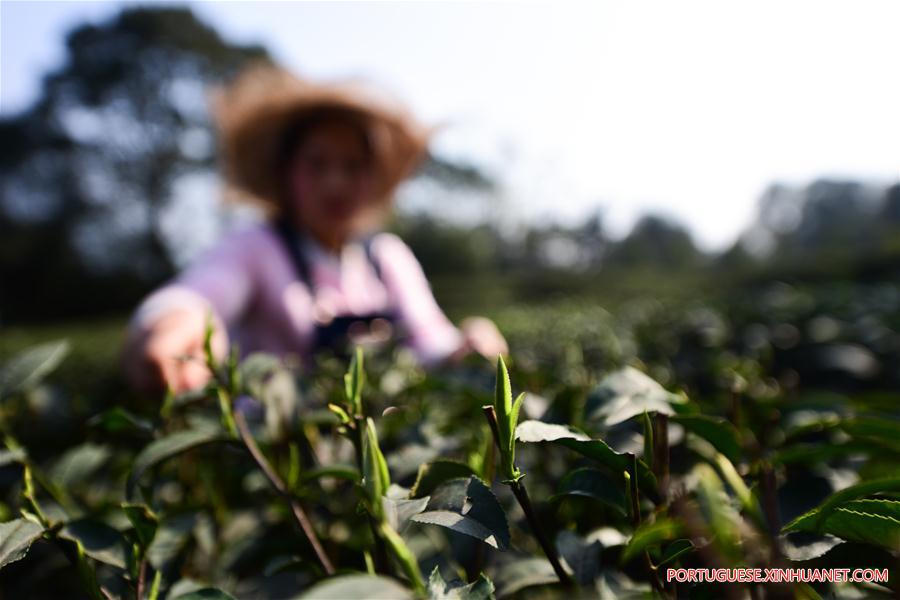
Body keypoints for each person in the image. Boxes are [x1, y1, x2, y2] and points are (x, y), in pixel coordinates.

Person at [123, 64, 507, 394]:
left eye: (352, 166)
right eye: (317, 164)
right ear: (286, 173)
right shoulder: (256, 247)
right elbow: (200, 296)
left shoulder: (387, 257)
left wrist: (469, 341)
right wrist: (175, 323)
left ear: (371, 178)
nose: (335, 183)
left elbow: (431, 340)